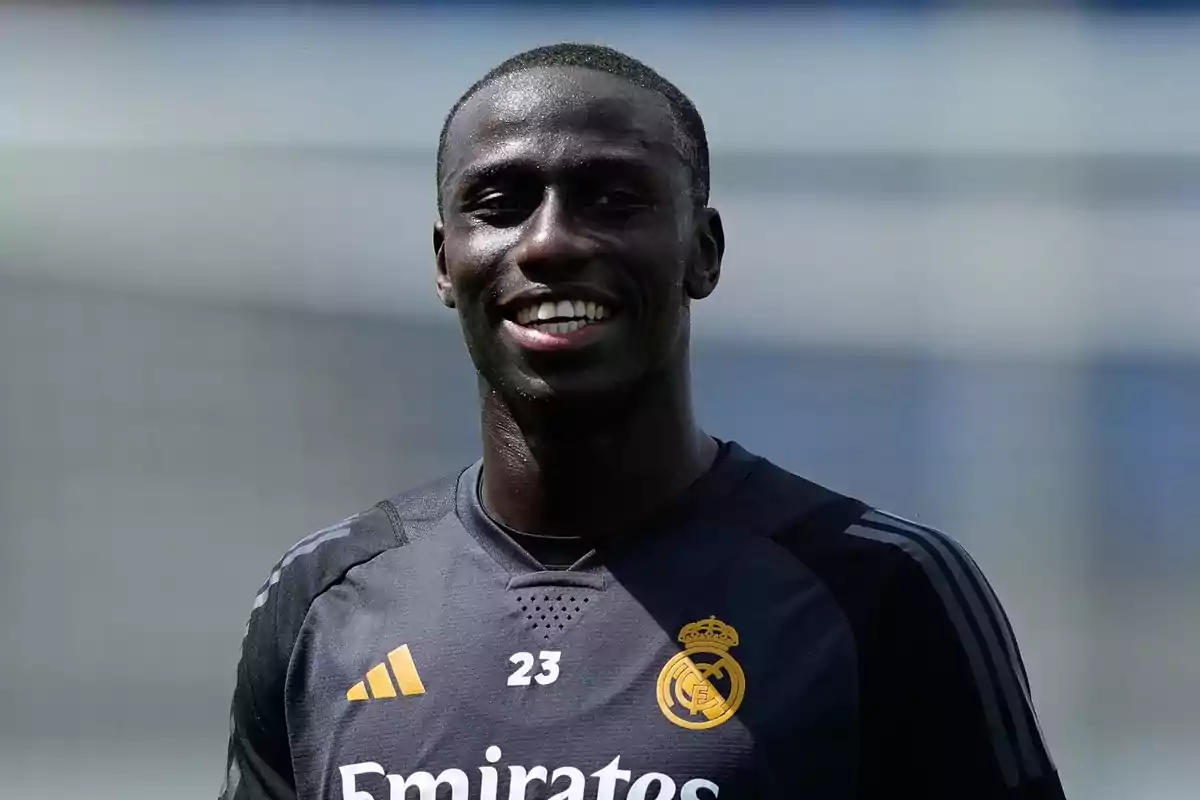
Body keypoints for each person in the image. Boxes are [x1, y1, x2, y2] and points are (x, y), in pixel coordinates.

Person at [219, 43, 1066, 800]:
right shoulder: (324, 599)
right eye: (502, 202)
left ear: (704, 252)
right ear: (446, 261)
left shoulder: (881, 589)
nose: (548, 243)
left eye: (613, 199)